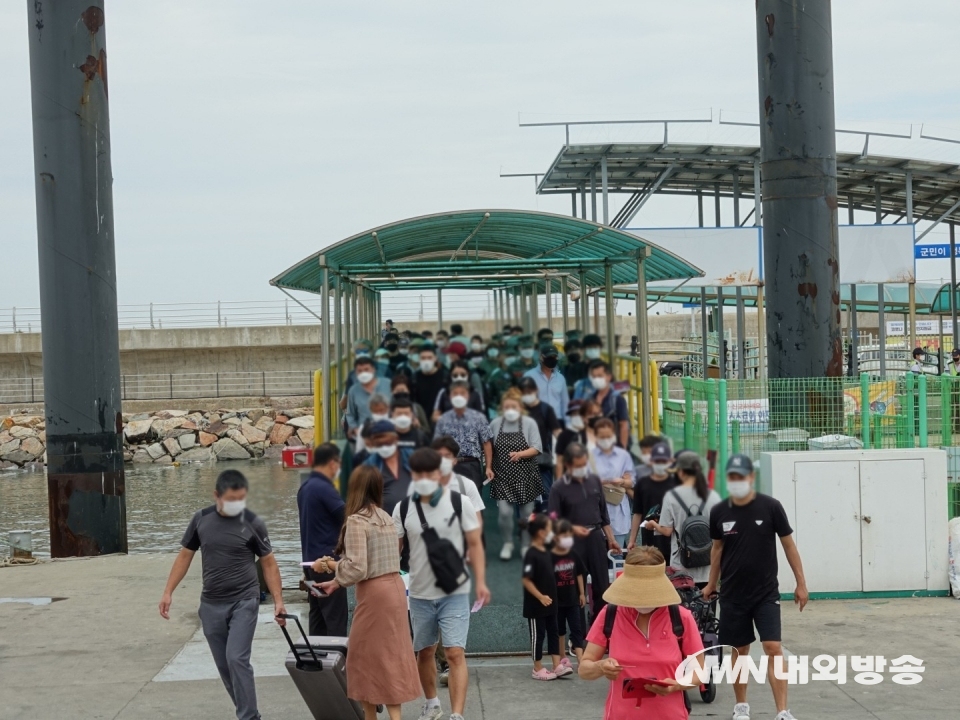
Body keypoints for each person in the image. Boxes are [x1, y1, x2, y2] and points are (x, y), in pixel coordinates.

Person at [159, 470, 285, 720]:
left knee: (236, 658)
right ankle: (248, 713)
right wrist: (168, 592)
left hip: (244, 601)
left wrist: (279, 602)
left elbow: (268, 562)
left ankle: (248, 717)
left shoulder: (253, 521)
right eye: (231, 499)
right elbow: (185, 555)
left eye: (241, 498)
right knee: (226, 667)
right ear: (216, 495)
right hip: (211, 605)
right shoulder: (200, 519)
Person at [702, 454, 808, 720]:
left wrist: (801, 583)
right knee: (740, 650)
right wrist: (711, 583)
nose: (737, 481)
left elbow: (788, 545)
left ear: (751, 478)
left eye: (742, 476)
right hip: (733, 594)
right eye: (733, 477)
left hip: (765, 593)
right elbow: (717, 550)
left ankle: (783, 710)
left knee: (773, 647)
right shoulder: (719, 511)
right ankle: (741, 706)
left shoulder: (771, 507)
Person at [312, 466, 420, 720]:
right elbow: (374, 562)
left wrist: (329, 566)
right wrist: (337, 581)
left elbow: (358, 567)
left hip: (374, 596)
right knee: (391, 656)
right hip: (394, 589)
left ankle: (369, 716)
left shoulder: (357, 520)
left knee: (360, 658)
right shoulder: (385, 517)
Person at [393, 448, 490, 720]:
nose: (425, 478)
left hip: (455, 592)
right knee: (424, 652)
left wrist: (481, 581)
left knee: (455, 652)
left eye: (430, 472)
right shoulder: (402, 508)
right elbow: (394, 551)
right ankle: (432, 703)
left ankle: (457, 715)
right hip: (420, 593)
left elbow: (475, 544)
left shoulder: (461, 503)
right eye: (419, 473)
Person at [578, 546, 705, 720]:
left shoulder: (681, 618)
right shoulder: (610, 614)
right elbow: (584, 669)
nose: (642, 600)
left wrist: (676, 685)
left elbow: (700, 672)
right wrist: (600, 667)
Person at [549, 443, 622, 620]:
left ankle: (601, 626)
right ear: (568, 464)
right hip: (572, 542)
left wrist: (611, 539)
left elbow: (603, 515)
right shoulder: (558, 487)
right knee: (575, 590)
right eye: (578, 466)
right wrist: (572, 528)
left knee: (602, 586)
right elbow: (552, 519)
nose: (582, 469)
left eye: (584, 464)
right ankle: (578, 636)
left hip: (596, 538)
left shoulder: (594, 481)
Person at [647, 452, 720, 587]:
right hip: (707, 564)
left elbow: (667, 530)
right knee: (706, 605)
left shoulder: (672, 496)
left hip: (682, 564)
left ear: (680, 472)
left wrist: (653, 525)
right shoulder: (713, 496)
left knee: (684, 606)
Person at [297, 443, 348, 636]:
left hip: (310, 565)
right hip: (326, 566)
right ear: (332, 463)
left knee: (318, 618)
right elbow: (347, 517)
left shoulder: (305, 488)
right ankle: (337, 662)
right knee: (335, 621)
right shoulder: (324, 488)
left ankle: (316, 661)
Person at [488, 388, 544, 560]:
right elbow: (489, 447)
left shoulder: (529, 423)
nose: (510, 410)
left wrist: (520, 454)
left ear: (520, 407)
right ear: (502, 409)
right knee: (504, 513)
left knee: (526, 514)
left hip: (526, 476)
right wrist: (488, 467)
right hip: (503, 476)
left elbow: (536, 448)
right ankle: (507, 543)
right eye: (507, 407)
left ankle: (526, 545)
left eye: (514, 406)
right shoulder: (496, 423)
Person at [521, 513, 571, 680]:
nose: (552, 533)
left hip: (552, 603)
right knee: (538, 636)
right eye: (549, 529)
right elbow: (526, 580)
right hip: (536, 607)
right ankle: (537, 668)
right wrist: (540, 596)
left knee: (553, 632)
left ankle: (557, 665)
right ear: (541, 532)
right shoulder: (531, 553)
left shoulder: (547, 551)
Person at [433, 380, 494, 490]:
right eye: (455, 393)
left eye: (462, 393)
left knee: (473, 503)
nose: (459, 396)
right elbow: (436, 445)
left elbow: (486, 442)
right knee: (450, 501)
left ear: (468, 396)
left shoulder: (478, 417)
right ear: (450, 396)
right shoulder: (443, 419)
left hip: (471, 464)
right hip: (449, 465)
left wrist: (488, 467)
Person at [627, 442, 678, 560]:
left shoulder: (675, 484)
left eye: (663, 461)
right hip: (649, 536)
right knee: (651, 567)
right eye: (657, 461)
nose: (660, 464)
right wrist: (632, 540)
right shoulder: (642, 483)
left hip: (672, 538)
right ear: (651, 461)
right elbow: (637, 512)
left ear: (670, 462)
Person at [591, 418, 636, 550]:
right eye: (602, 436)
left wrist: (621, 481)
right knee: (597, 554)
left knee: (616, 553)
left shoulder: (623, 456)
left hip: (617, 507)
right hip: (595, 508)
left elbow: (631, 481)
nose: (605, 439)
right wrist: (605, 480)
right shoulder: (589, 456)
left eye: (608, 436)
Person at [518, 376, 562, 509]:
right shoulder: (516, 410)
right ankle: (526, 528)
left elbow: (557, 432)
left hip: (541, 462)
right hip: (519, 462)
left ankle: (545, 526)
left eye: (529, 391)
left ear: (536, 390)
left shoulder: (545, 409)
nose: (527, 395)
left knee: (545, 500)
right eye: (523, 392)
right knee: (523, 502)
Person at [552, 519, 587, 665]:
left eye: (568, 536)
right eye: (563, 535)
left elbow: (579, 573)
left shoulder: (573, 554)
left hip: (573, 600)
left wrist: (581, 593)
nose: (566, 539)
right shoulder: (550, 556)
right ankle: (562, 657)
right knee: (559, 631)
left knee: (576, 629)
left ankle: (581, 659)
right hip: (558, 602)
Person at [431, 436, 486, 527]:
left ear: (454, 461)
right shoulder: (420, 485)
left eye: (447, 456)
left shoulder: (466, 485)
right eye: (439, 456)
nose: (443, 460)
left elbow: (476, 521)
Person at [363, 420, 413, 515]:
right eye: (379, 444)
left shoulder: (411, 457)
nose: (384, 447)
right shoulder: (369, 465)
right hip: (385, 521)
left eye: (387, 443)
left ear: (396, 439)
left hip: (413, 517)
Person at [346, 356, 393, 441]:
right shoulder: (353, 391)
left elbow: (396, 406)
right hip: (365, 435)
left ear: (374, 370)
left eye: (366, 369)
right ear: (356, 373)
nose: (363, 373)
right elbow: (350, 414)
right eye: (360, 371)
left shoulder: (388, 384)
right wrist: (356, 430)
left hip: (388, 432)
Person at [587, 360, 631, 448]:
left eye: (600, 376)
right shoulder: (591, 398)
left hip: (615, 446)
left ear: (608, 377)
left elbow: (624, 425)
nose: (596, 380)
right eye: (594, 377)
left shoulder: (617, 399)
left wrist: (623, 448)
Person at [555, 399, 601, 476]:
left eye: (579, 412)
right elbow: (560, 461)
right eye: (574, 413)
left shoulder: (603, 433)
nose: (577, 416)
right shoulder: (564, 435)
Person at [523, 343, 569, 421]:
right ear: (541, 357)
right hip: (537, 420)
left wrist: (568, 424)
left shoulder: (560, 378)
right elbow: (524, 401)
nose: (552, 359)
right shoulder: (529, 376)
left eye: (554, 357)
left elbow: (565, 402)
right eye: (549, 357)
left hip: (557, 420)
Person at [413, 344, 450, 430]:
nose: (426, 361)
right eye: (423, 358)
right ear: (419, 359)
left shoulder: (444, 376)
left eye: (429, 358)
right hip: (421, 423)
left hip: (440, 422)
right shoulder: (414, 378)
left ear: (435, 358)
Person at [572, 334, 605, 400]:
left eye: (595, 347)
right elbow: (571, 387)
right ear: (583, 349)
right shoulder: (576, 368)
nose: (593, 350)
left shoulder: (605, 367)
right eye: (590, 347)